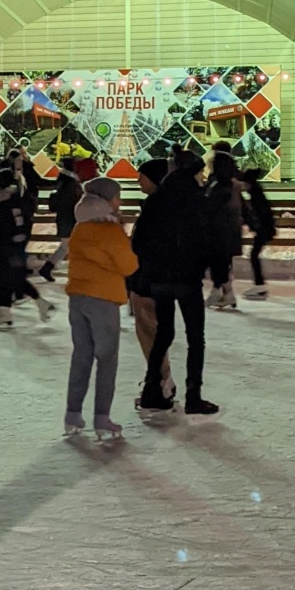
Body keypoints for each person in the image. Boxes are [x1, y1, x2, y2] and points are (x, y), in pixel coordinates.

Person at [133, 148, 217, 415]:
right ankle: (194, 396)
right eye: (200, 171)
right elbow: (207, 241)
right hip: (187, 279)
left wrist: (153, 266)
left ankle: (150, 390)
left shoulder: (157, 199)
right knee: (195, 337)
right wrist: (202, 267)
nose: (203, 176)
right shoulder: (197, 200)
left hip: (160, 278)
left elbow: (139, 241)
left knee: (163, 335)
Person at [63, 178, 137, 440]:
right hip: (103, 299)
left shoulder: (80, 228)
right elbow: (129, 266)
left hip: (78, 298)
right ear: (107, 200)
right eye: (117, 197)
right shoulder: (110, 232)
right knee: (107, 359)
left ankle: (72, 413)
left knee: (81, 355)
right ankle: (102, 418)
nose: (120, 202)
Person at [127, 156, 174, 405]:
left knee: (150, 332)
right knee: (155, 332)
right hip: (158, 279)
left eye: (141, 176)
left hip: (148, 279)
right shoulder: (165, 204)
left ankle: (160, 382)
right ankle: (161, 381)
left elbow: (141, 245)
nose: (137, 180)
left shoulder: (155, 207)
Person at [0, 161, 51, 329]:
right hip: (14, 245)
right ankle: (8, 309)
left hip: (7, 246)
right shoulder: (17, 199)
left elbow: (6, 224)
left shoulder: (5, 203)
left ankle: (7, 311)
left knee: (2, 276)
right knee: (12, 277)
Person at [205, 148, 243, 310]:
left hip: (218, 234)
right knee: (223, 264)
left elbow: (209, 209)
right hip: (230, 233)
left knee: (217, 264)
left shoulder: (218, 188)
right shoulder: (233, 186)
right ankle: (225, 292)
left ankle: (219, 292)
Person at [40, 154, 82, 282]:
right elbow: (72, 201)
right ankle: (49, 269)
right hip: (69, 218)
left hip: (64, 218)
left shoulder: (63, 180)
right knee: (69, 246)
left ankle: (47, 268)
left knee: (66, 247)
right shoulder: (70, 183)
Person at [240, 167, 277, 298]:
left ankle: (259, 285)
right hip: (265, 228)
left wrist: (256, 225)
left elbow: (261, 213)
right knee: (254, 255)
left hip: (264, 229)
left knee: (254, 255)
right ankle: (259, 284)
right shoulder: (257, 193)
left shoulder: (256, 195)